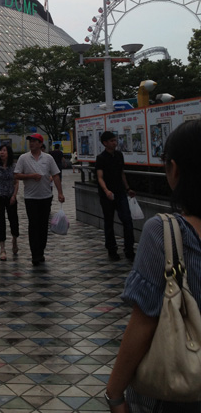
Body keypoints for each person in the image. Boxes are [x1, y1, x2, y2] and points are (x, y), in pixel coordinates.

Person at [105, 120, 201, 412]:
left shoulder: (165, 231)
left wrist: (114, 393)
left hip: (180, 388)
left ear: (174, 168)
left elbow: (144, 320)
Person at [14, 133, 65, 265]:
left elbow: (56, 175)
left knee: (43, 226)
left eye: (35, 141)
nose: (32, 143)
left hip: (46, 196)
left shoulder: (48, 158)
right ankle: (35, 254)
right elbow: (16, 175)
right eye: (30, 141)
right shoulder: (23, 158)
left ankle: (40, 250)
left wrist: (60, 192)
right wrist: (31, 176)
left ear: (41, 144)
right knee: (33, 225)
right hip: (30, 197)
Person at [95, 131, 135, 261]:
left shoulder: (119, 155)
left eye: (115, 140)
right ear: (105, 143)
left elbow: (122, 173)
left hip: (120, 193)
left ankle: (129, 249)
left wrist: (128, 188)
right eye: (112, 141)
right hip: (107, 195)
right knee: (109, 221)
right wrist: (106, 191)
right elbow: (100, 177)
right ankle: (112, 249)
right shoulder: (101, 158)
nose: (115, 143)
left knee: (127, 220)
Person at [0, 144, 19, 260]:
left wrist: (14, 196)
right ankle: (2, 249)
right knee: (0, 222)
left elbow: (16, 182)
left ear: (9, 153)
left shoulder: (14, 166)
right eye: (0, 150)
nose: (2, 152)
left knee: (14, 220)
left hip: (11, 196)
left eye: (4, 150)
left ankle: (14, 240)